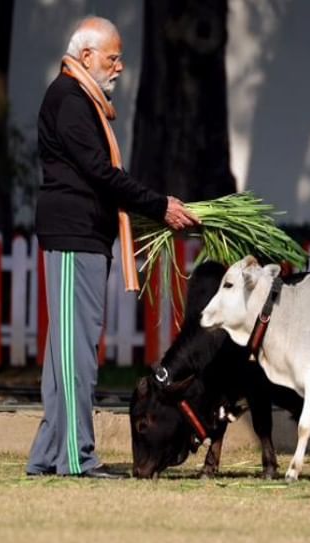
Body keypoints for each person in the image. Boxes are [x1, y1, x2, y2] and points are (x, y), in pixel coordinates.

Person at [26, 16, 198, 478]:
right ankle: (77, 459)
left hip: (84, 237)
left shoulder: (82, 100)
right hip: (72, 237)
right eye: (113, 57)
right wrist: (159, 206)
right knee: (75, 355)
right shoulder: (69, 99)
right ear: (86, 57)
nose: (120, 66)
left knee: (66, 353)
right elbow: (100, 173)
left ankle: (46, 457)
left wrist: (153, 207)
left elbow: (100, 175)